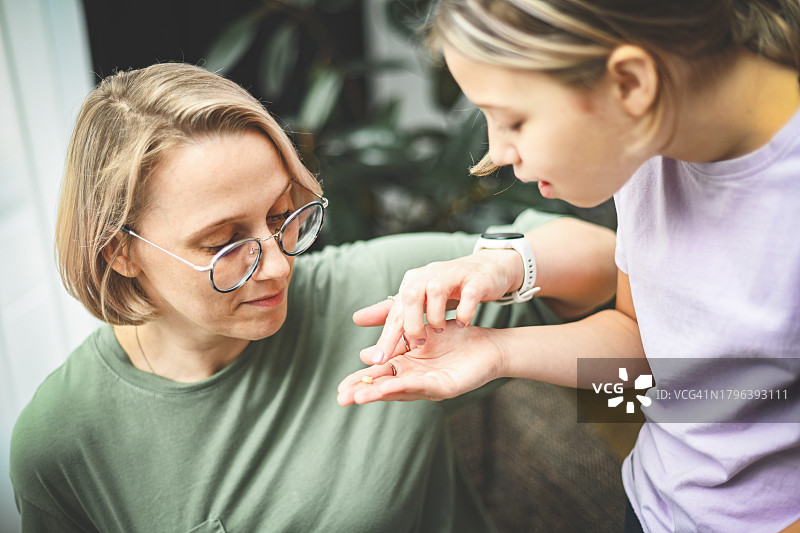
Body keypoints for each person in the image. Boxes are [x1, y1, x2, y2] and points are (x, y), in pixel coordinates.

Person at [9, 62, 618, 532]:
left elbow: (619, 280)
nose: (277, 265)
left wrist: (506, 264)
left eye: (283, 216)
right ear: (119, 251)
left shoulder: (370, 293)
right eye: (224, 244)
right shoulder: (59, 444)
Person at [337, 1, 800, 532]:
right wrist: (496, 351)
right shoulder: (649, 142)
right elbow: (649, 363)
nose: (497, 153)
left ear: (629, 82)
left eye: (513, 119)